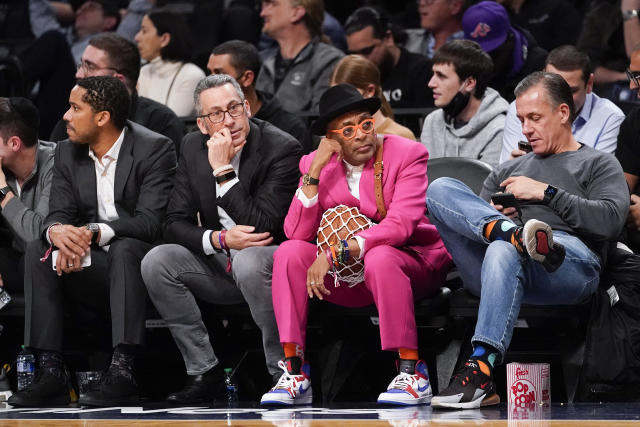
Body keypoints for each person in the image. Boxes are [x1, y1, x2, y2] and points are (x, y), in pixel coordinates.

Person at [426, 71, 629, 409]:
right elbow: (467, 215)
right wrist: (497, 218)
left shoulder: (598, 163)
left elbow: (610, 222)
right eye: (521, 119)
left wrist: (546, 193)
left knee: (506, 248)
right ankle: (513, 235)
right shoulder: (506, 172)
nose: (525, 129)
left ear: (563, 113)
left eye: (535, 118)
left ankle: (479, 371)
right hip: (497, 268)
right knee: (439, 188)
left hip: (567, 268)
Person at [260, 84, 452, 406]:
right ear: (332, 138)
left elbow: (402, 225)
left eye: (366, 123)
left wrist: (336, 251)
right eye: (349, 130)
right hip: (349, 276)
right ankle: (295, 371)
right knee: (289, 253)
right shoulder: (314, 164)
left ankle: (412, 373)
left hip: (412, 262)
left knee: (381, 258)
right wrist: (316, 170)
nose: (362, 134)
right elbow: (295, 232)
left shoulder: (406, 153)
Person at [7, 76, 176, 407]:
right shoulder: (68, 151)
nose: (66, 117)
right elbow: (59, 212)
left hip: (142, 261)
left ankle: (123, 370)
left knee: (125, 247)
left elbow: (151, 222)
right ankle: (51, 372)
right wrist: (57, 232)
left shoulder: (154, 149)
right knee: (38, 249)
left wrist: (96, 232)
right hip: (92, 261)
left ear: (102, 117)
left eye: (75, 108)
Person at [141, 74, 302, 404]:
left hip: (270, 268)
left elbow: (263, 227)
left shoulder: (281, 148)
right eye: (216, 114)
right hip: (223, 260)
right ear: (202, 125)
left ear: (247, 107)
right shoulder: (190, 146)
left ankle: (285, 372)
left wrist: (223, 172)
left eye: (234, 108)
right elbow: (173, 222)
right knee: (157, 260)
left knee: (249, 258)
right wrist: (218, 238)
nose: (229, 120)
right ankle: (205, 372)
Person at [49, 32, 185, 157]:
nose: (78, 75)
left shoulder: (161, 123)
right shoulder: (71, 120)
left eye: (90, 67)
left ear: (118, 80)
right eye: (81, 65)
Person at [501, 45, 625, 163]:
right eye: (552, 88)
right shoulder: (521, 109)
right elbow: (504, 176)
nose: (560, 98)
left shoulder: (610, 118)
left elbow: (596, 182)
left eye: (571, 91)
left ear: (589, 84)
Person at [208, 40, 310, 152]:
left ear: (247, 78)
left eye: (219, 74)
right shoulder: (208, 124)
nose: (210, 82)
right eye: (210, 73)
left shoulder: (290, 128)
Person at [420, 39, 508, 167]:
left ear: (469, 83)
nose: (431, 83)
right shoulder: (432, 122)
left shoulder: (498, 129)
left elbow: (489, 185)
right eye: (433, 74)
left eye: (441, 76)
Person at [0, 98, 54, 294]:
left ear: (14, 143)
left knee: (31, 258)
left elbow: (36, 235)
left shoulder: (57, 165)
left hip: (47, 263)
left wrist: (2, 191)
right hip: (13, 257)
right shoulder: (4, 167)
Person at [255, 0, 344, 114]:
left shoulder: (330, 62)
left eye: (272, 4)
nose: (263, 13)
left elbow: (322, 120)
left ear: (296, 13)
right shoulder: (260, 61)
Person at [344, 7, 433, 110]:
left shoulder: (421, 71)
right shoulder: (354, 80)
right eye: (353, 54)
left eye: (367, 51)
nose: (360, 60)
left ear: (388, 38)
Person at [462, 1, 547, 102]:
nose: (488, 61)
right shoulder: (464, 65)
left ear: (510, 37)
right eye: (480, 54)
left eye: (494, 53)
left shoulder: (539, 64)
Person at [135, 10, 206, 117]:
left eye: (144, 31)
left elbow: (170, 123)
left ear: (164, 39)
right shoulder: (144, 71)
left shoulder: (192, 75)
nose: (137, 37)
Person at [331, 54, 416, 140]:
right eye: (335, 97)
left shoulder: (400, 136)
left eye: (346, 96)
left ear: (370, 91)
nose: (339, 104)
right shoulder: (338, 139)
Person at [615, 46, 640, 252]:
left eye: (638, 76)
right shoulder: (635, 122)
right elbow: (623, 190)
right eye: (631, 75)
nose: (632, 85)